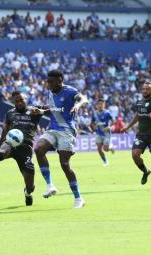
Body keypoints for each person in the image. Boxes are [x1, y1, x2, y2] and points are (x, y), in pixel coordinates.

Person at [0, 91, 46, 206]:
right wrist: (1, 140)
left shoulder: (35, 110)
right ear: (13, 102)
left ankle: (27, 193)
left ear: (26, 99)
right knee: (2, 151)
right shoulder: (10, 113)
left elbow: (53, 109)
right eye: (16, 101)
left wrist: (43, 111)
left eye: (21, 100)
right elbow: (6, 127)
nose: (19, 102)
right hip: (11, 142)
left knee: (31, 185)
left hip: (26, 147)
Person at [34, 70, 88, 209]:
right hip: (52, 129)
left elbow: (83, 99)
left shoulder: (70, 91)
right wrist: (42, 112)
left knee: (65, 164)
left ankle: (78, 198)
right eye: (48, 82)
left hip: (66, 131)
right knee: (38, 149)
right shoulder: (51, 93)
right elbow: (53, 109)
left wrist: (77, 105)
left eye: (51, 82)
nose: (48, 84)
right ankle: (50, 185)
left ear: (60, 80)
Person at [120, 81, 151, 189]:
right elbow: (137, 116)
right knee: (135, 155)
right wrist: (127, 127)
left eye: (147, 89)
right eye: (144, 89)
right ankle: (145, 171)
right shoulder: (139, 102)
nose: (145, 91)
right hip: (141, 135)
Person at [91, 98, 115, 166]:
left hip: (106, 133)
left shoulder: (107, 113)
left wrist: (109, 127)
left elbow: (113, 121)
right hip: (99, 133)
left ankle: (110, 148)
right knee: (99, 148)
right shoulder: (95, 114)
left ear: (104, 105)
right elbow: (92, 123)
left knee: (106, 149)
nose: (100, 105)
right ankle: (105, 162)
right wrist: (93, 126)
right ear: (96, 105)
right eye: (99, 104)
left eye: (102, 104)